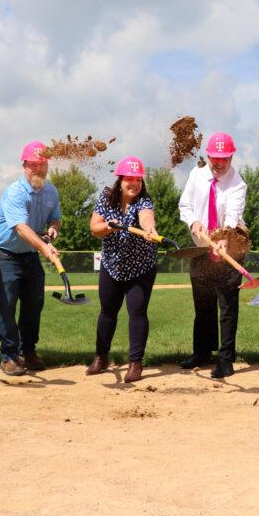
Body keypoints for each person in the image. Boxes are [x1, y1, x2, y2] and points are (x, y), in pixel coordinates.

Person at [177, 132, 248, 379]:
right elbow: (184, 205)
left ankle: (226, 359)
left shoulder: (238, 184)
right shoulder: (196, 175)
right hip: (201, 249)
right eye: (214, 158)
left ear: (231, 157)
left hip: (230, 249)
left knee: (227, 307)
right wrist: (193, 221)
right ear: (208, 156)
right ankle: (202, 353)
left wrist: (223, 238)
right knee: (203, 304)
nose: (219, 163)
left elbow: (232, 214)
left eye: (224, 159)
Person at [0, 141, 62, 377]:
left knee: (34, 305)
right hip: (6, 255)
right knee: (7, 305)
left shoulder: (51, 192)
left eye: (42, 165)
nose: (38, 170)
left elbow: (55, 218)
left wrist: (53, 229)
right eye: (33, 165)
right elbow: (20, 227)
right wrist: (44, 247)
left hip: (30, 255)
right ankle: (9, 356)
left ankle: (28, 351)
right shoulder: (15, 192)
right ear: (24, 165)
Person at [87, 156, 159, 383]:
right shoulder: (106, 198)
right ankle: (101, 357)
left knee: (137, 311)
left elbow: (147, 218)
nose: (134, 183)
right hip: (112, 265)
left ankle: (135, 363)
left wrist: (149, 229)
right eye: (129, 179)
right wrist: (110, 226)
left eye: (138, 179)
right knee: (107, 311)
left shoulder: (144, 202)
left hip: (141, 268)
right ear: (120, 180)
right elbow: (94, 229)